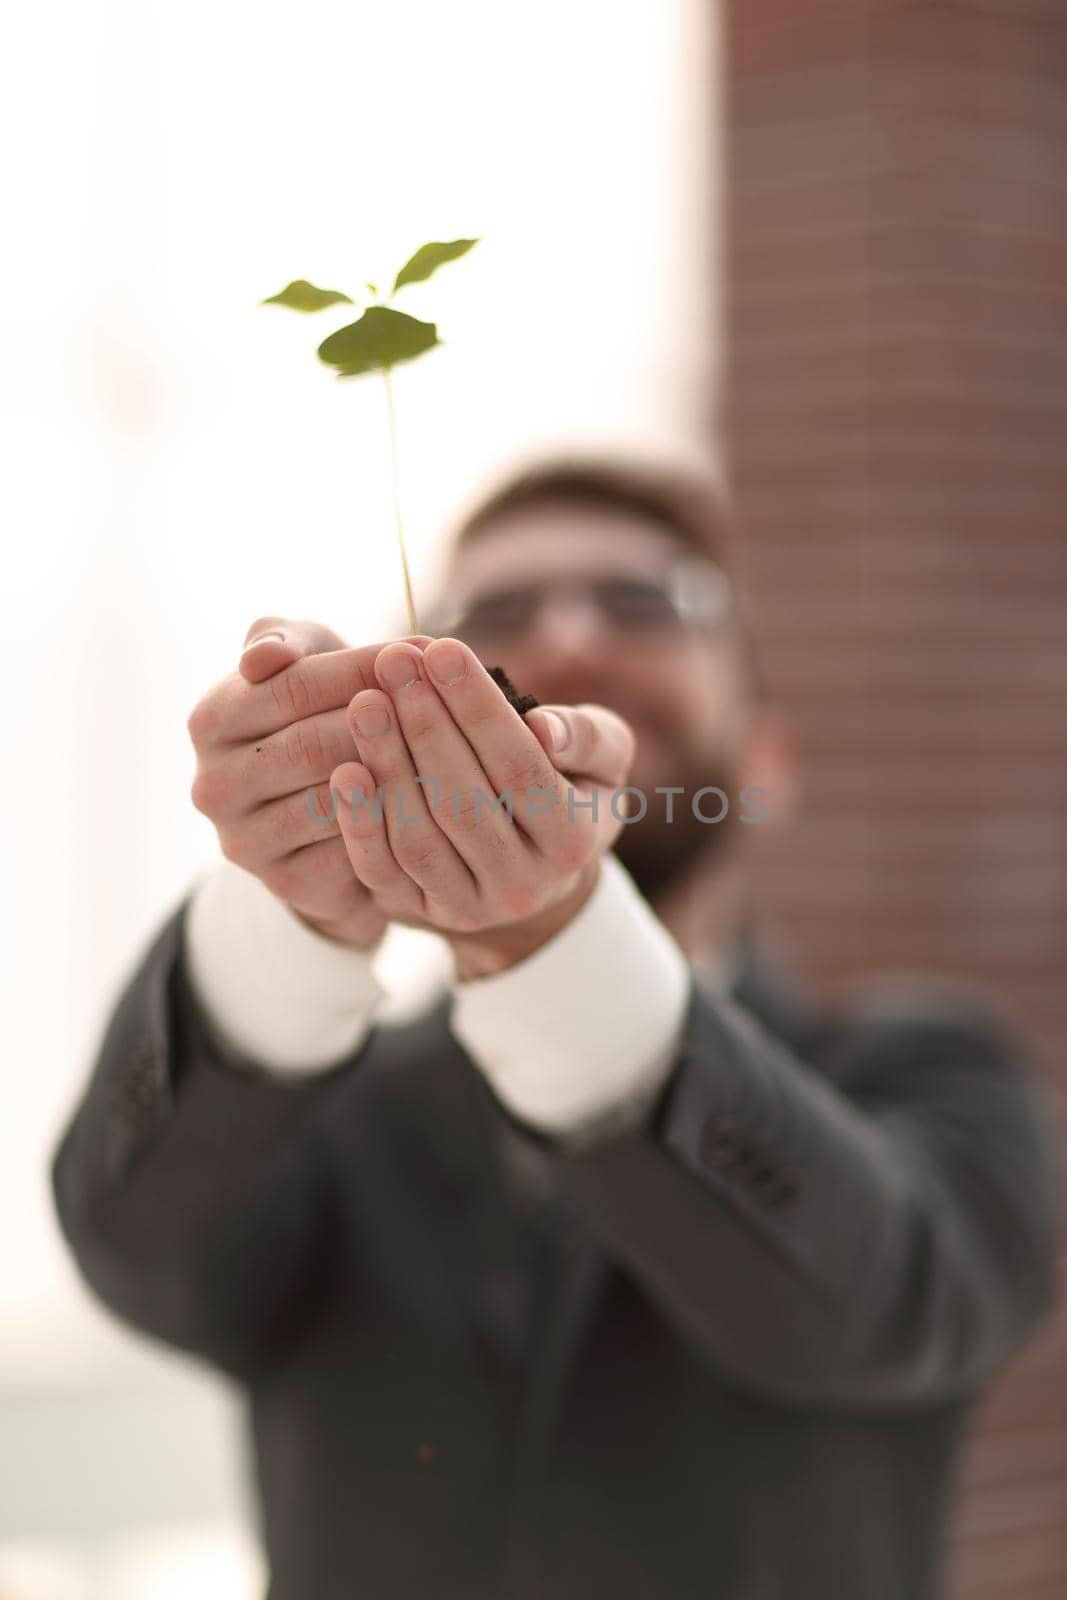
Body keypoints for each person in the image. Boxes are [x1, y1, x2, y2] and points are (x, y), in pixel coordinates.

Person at [52, 452, 1063, 1600]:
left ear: (765, 765)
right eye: (498, 611)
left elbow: (871, 1307)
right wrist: (289, 918)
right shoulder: (335, 1103)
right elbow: (138, 1247)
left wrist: (556, 953)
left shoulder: (934, 1072)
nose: (572, 634)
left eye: (646, 604)